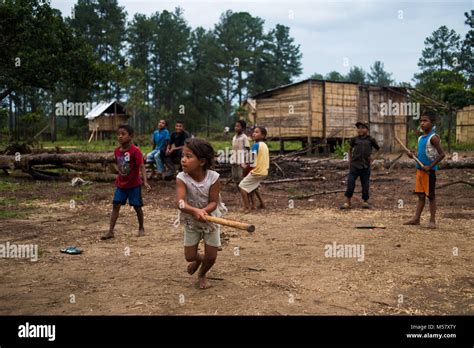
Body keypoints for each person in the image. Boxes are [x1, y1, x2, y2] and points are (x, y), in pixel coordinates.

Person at [176, 138, 226, 289]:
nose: (183, 160)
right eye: (182, 156)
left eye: (188, 156)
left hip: (211, 220)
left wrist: (204, 211)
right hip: (192, 220)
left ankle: (203, 273)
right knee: (189, 256)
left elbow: (213, 202)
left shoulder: (214, 178)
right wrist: (194, 211)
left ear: (202, 161)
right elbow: (180, 203)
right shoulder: (181, 178)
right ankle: (198, 260)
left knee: (212, 256)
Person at [102, 125, 151, 240]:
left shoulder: (136, 151)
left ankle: (141, 227)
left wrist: (145, 181)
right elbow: (119, 165)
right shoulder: (117, 151)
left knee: (137, 206)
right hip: (121, 184)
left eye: (123, 134)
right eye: (118, 134)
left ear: (130, 136)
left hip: (134, 185)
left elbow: (141, 166)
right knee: (115, 205)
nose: (120, 136)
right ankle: (110, 231)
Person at [403, 112, 445, 229]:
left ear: (432, 123)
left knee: (430, 196)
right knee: (421, 196)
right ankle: (416, 219)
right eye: (421, 121)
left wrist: (430, 166)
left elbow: (442, 155)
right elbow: (421, 153)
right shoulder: (420, 138)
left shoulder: (434, 138)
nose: (422, 123)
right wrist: (413, 155)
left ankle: (432, 220)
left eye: (425, 121)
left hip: (429, 172)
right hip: (419, 171)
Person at [340, 121, 380, 210]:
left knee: (365, 185)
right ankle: (347, 202)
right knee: (350, 184)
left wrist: (373, 158)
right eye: (359, 128)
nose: (360, 130)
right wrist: (349, 160)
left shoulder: (371, 140)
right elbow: (350, 149)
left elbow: (378, 149)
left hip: (365, 166)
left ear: (367, 129)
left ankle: (365, 201)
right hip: (354, 165)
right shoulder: (354, 139)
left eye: (363, 128)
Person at [239, 127, 269, 213]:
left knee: (242, 187)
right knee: (254, 187)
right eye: (254, 132)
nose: (254, 134)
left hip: (257, 171)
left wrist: (245, 166)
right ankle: (262, 204)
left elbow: (252, 160)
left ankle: (246, 207)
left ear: (263, 135)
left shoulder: (256, 145)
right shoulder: (265, 145)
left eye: (257, 132)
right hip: (264, 171)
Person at [230, 120, 250, 188]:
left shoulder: (244, 137)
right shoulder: (234, 137)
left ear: (243, 128)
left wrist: (246, 160)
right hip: (234, 159)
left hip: (241, 160)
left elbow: (247, 149)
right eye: (235, 126)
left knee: (240, 175)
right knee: (234, 175)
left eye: (238, 126)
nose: (236, 127)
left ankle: (242, 188)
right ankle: (237, 187)